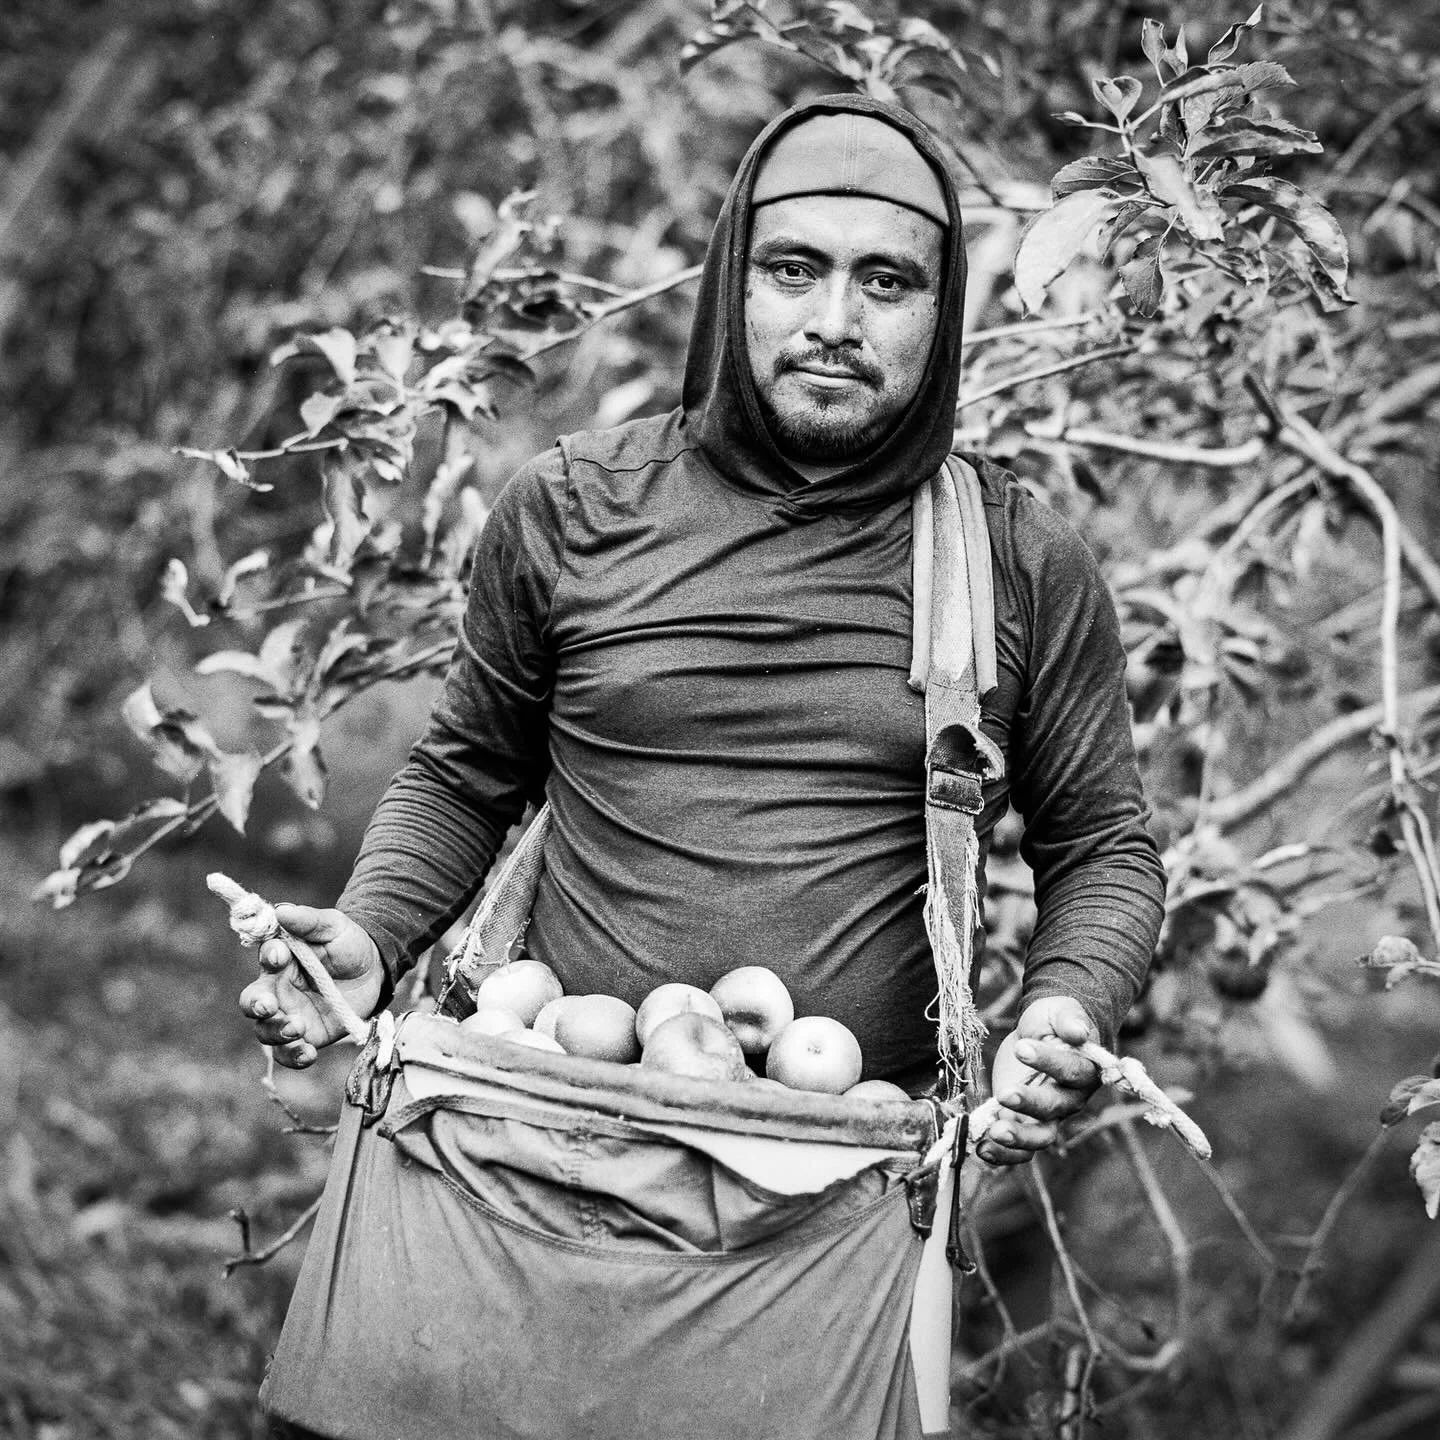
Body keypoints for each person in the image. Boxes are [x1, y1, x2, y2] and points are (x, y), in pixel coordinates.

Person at [239, 93, 1166, 1169]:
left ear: (941, 309)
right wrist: (370, 936)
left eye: (888, 280)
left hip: (840, 1173)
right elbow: (464, 775)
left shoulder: (1018, 561)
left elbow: (1102, 847)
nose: (834, 321)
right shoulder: (575, 507)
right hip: (532, 1130)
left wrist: (1067, 1007)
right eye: (792, 269)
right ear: (734, 284)